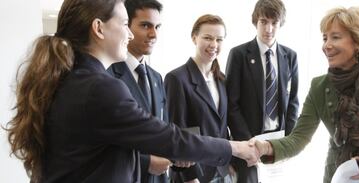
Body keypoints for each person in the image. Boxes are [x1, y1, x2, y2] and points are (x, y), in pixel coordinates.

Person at [5, 0, 260, 182]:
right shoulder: (99, 87)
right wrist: (234, 148)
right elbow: (169, 137)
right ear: (98, 28)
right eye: (126, 23)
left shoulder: (71, 78)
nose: (129, 33)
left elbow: (100, 151)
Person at [251, 6, 359, 183]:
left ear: (358, 42)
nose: (326, 45)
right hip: (340, 177)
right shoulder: (319, 86)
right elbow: (298, 138)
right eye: (324, 38)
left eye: (335, 37)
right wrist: (264, 147)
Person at [225, 0, 299, 182]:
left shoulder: (290, 56)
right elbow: (231, 105)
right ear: (255, 22)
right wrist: (249, 143)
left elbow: (293, 102)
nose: (269, 29)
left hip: (278, 143)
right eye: (264, 22)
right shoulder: (239, 55)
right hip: (248, 144)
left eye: (274, 23)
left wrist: (288, 142)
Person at [106, 0, 170, 182]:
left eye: (157, 27)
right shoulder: (106, 75)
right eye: (145, 25)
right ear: (126, 26)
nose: (153, 34)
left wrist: (177, 155)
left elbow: (163, 130)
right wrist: (146, 163)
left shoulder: (157, 77)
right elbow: (104, 144)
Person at [165, 14, 231, 183]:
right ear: (194, 38)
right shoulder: (177, 78)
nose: (214, 45)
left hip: (221, 171)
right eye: (208, 38)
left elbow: (222, 127)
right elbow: (177, 130)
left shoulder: (221, 79)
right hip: (193, 175)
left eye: (219, 39)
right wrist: (190, 177)